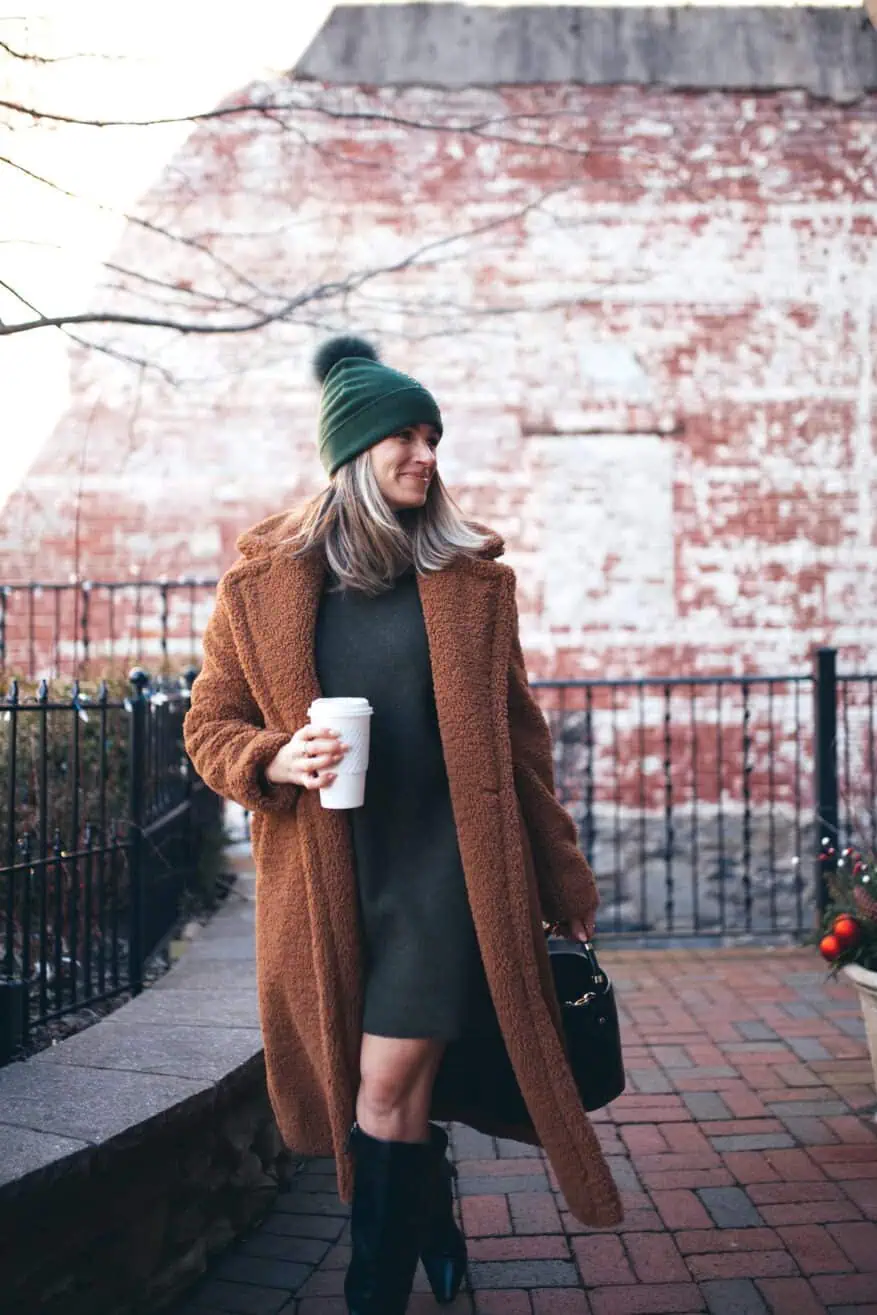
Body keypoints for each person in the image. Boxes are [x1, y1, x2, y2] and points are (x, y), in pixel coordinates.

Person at [183, 337, 622, 1315]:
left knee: (381, 1087)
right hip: (329, 883)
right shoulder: (261, 592)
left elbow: (520, 746)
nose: (426, 452)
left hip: (445, 884)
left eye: (432, 436)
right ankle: (437, 1230)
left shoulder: (470, 586)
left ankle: (369, 1291)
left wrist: (563, 883)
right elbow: (208, 723)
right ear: (354, 456)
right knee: (379, 1095)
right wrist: (273, 758)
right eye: (404, 437)